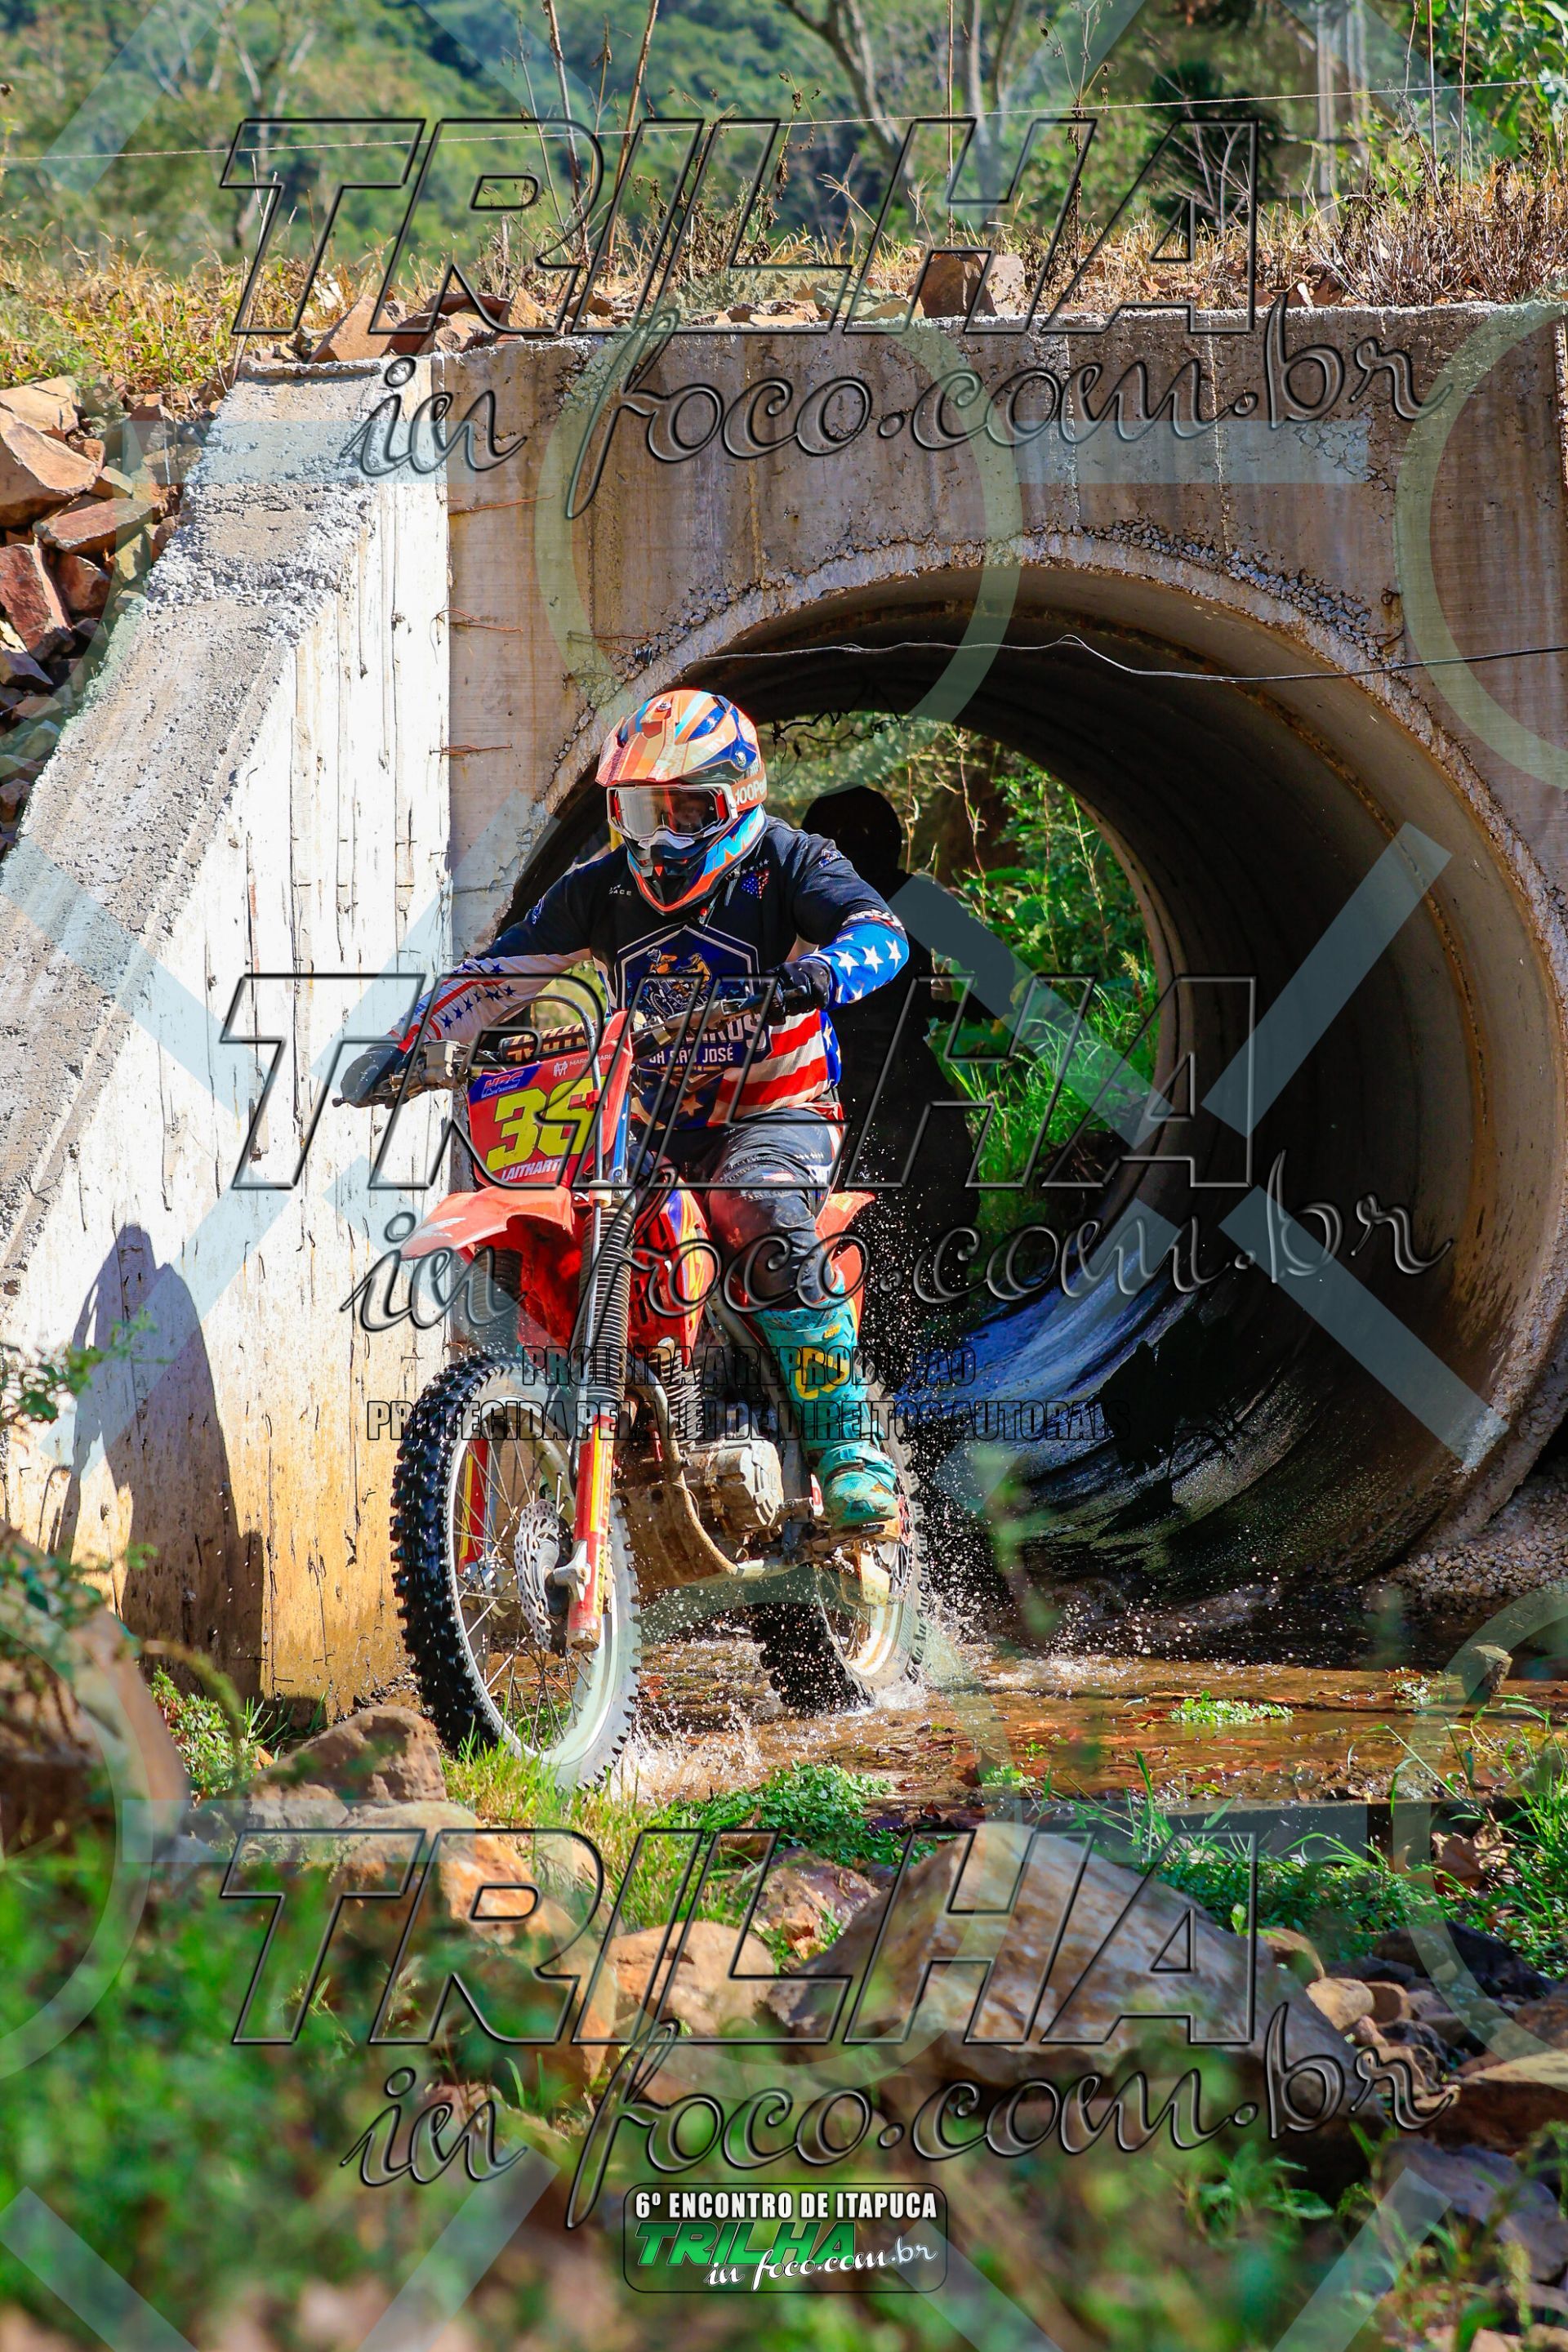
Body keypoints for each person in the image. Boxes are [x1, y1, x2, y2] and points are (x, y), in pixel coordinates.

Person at [341, 688, 911, 1534]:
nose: (661, 839)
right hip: (645, 1119)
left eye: (686, 813)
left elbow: (881, 934)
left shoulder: (792, 862)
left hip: (775, 1112)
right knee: (569, 1218)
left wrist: (818, 973)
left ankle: (849, 1447)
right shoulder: (601, 886)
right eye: (642, 813)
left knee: (753, 1204)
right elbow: (496, 977)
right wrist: (412, 1043)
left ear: (736, 801)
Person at [801, 786, 978, 1375]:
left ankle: (901, 1323)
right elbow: (996, 985)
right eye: (845, 835)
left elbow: (991, 982)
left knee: (941, 1180)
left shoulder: (811, 899)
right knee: (936, 1179)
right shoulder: (813, 899)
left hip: (857, 1075)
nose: (855, 846)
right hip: (857, 1074)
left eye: (861, 834)